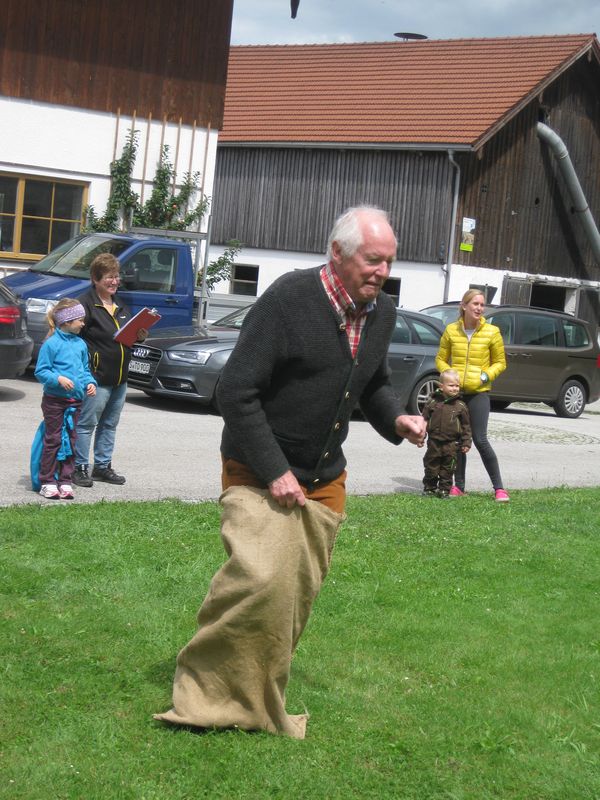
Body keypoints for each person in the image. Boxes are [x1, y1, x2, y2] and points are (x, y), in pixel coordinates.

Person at [154, 206, 427, 739]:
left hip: (325, 479)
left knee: (292, 597)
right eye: (373, 259)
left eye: (389, 262)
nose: (382, 271)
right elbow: (236, 390)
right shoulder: (288, 299)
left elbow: (371, 384)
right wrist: (276, 470)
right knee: (255, 585)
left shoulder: (382, 312)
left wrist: (398, 417)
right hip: (259, 468)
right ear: (338, 253)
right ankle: (205, 697)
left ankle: (255, 699)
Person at [73, 253, 147, 487]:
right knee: (86, 424)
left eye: (116, 277)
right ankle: (80, 468)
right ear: (95, 278)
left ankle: (102, 467)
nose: (114, 281)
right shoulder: (84, 304)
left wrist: (139, 335)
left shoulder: (121, 305)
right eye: (109, 277)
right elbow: (72, 339)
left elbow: (126, 339)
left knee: (109, 425)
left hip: (119, 379)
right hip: (96, 378)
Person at [435, 289, 509, 501]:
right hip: (456, 395)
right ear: (464, 306)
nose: (479, 308)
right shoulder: (451, 330)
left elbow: (500, 362)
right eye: (475, 304)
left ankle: (499, 488)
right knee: (457, 441)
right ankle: (458, 486)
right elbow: (440, 359)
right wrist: (448, 375)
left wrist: (485, 376)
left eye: (481, 304)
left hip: (478, 394)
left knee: (480, 439)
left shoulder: (492, 332)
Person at [34, 299, 97, 499]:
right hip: (54, 400)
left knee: (71, 440)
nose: (83, 324)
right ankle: (47, 481)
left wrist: (90, 382)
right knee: (53, 440)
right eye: (80, 320)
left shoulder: (80, 344)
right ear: (67, 321)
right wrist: (58, 378)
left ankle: (65, 480)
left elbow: (85, 370)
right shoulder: (51, 344)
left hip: (75, 402)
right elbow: (41, 371)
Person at [422, 368, 471, 498]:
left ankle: (444, 489)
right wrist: (421, 437)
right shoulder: (432, 402)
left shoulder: (460, 405)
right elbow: (424, 420)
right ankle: (430, 488)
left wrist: (466, 442)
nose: (455, 388)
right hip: (434, 441)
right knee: (431, 464)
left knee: (448, 467)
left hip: (452, 443)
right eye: (451, 385)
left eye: (457, 386)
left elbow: (466, 426)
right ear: (441, 386)